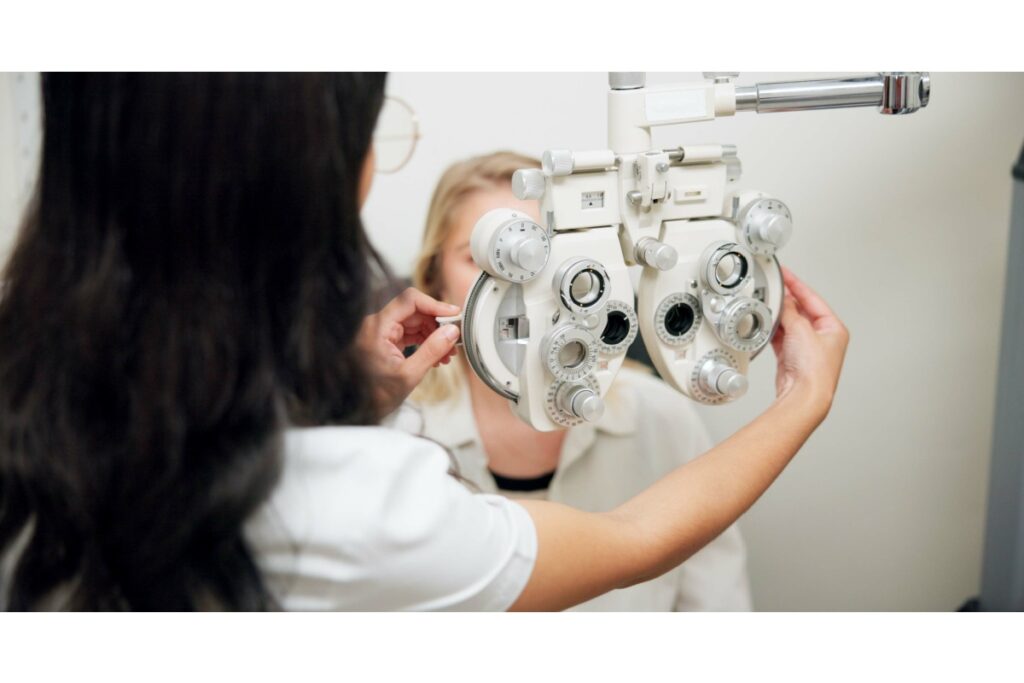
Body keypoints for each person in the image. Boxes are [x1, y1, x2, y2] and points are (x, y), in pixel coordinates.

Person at [0, 73, 848, 611]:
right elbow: (630, 541)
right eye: (499, 255)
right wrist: (803, 397)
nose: (542, 289)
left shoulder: (41, 401)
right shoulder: (362, 496)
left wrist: (354, 406)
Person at [407, 152, 751, 610]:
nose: (521, 283)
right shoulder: (398, 438)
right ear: (434, 280)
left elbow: (718, 608)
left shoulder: (662, 418)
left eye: (543, 254)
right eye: (484, 258)